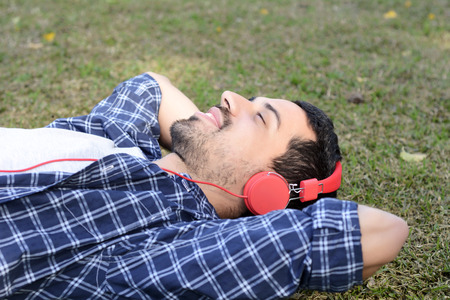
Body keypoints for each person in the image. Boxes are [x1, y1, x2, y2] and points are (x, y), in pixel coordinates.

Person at [0, 72, 408, 299]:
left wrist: (272, 200)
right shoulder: (117, 140)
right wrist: (210, 143)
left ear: (266, 189)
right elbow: (151, 87)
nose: (230, 97)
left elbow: (383, 232)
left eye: (261, 118)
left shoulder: (166, 244)